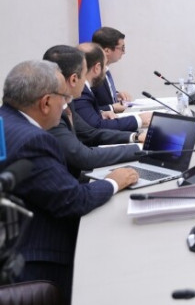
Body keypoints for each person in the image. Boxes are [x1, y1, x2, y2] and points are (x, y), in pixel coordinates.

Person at [0, 60, 138, 304]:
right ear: (45, 103)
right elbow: (73, 201)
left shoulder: (6, 121)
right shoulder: (33, 140)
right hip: (36, 259)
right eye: (64, 99)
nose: (66, 106)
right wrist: (113, 182)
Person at [43, 45, 142, 179]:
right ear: (73, 79)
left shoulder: (67, 103)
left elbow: (90, 133)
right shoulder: (51, 112)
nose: (86, 83)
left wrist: (135, 137)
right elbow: (85, 157)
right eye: (84, 74)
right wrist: (140, 149)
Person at [73, 43, 152, 131]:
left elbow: (86, 117)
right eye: (105, 65)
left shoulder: (84, 88)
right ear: (97, 68)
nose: (106, 70)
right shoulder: (80, 91)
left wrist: (101, 113)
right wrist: (139, 120)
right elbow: (96, 126)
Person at [91, 27, 131, 113]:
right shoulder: (92, 74)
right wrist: (111, 107)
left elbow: (101, 96)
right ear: (107, 51)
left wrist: (116, 95)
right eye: (122, 48)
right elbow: (86, 110)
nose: (124, 52)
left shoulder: (105, 70)